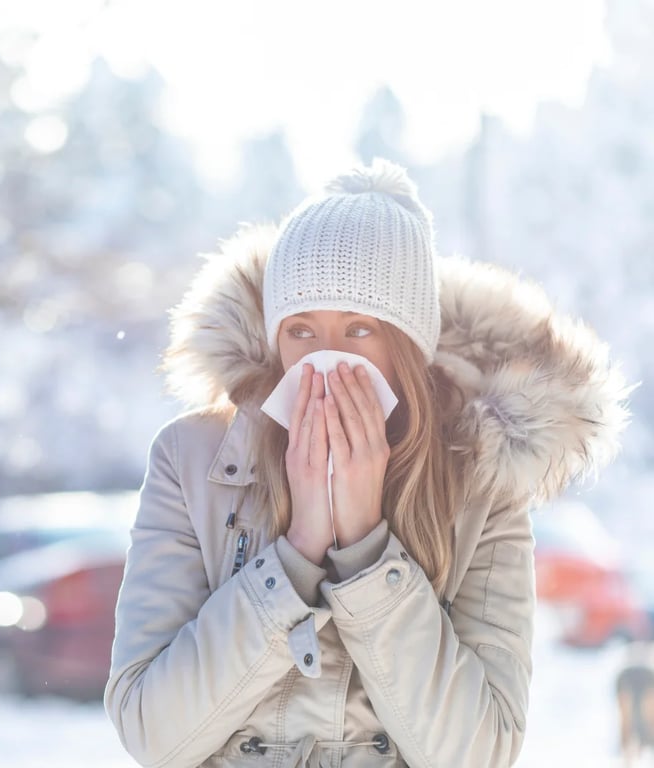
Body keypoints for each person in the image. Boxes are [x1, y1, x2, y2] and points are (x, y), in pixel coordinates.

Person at [104, 158, 631, 767]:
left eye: (358, 329)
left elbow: (479, 752)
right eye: (301, 329)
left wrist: (365, 551)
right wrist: (298, 550)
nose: (325, 358)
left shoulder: (481, 482)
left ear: (407, 346)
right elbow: (151, 732)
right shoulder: (194, 459)